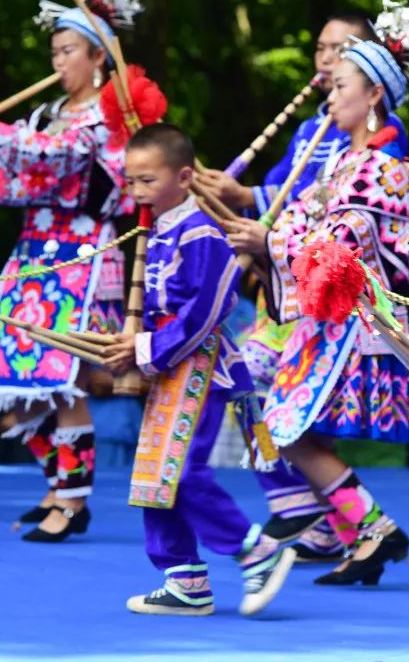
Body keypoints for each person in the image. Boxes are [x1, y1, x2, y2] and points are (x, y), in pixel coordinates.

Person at [201, 11, 409, 562]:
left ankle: (367, 528)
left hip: (348, 320)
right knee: (272, 408)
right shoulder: (345, 159)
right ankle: (357, 531)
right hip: (313, 313)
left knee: (285, 424)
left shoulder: (385, 166)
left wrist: (265, 243)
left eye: (341, 85)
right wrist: (259, 232)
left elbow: (344, 244)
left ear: (371, 96)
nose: (330, 94)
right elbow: (298, 220)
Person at [0, 0, 135, 541]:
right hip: (33, 255)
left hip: (83, 255)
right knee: (20, 382)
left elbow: (63, 157)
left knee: (63, 384)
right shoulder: (45, 117)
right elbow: (11, 179)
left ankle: (73, 501)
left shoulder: (109, 115)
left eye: (68, 50)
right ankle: (57, 482)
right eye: (54, 51)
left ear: (98, 56)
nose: (58, 62)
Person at [103, 123, 294, 617]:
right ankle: (183, 578)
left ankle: (257, 552)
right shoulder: (160, 231)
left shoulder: (202, 233)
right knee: (153, 476)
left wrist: (143, 347)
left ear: (185, 178)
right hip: (167, 365)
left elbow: (204, 313)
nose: (137, 191)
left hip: (200, 367)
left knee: (182, 473)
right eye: (131, 181)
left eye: (147, 180)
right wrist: (131, 345)